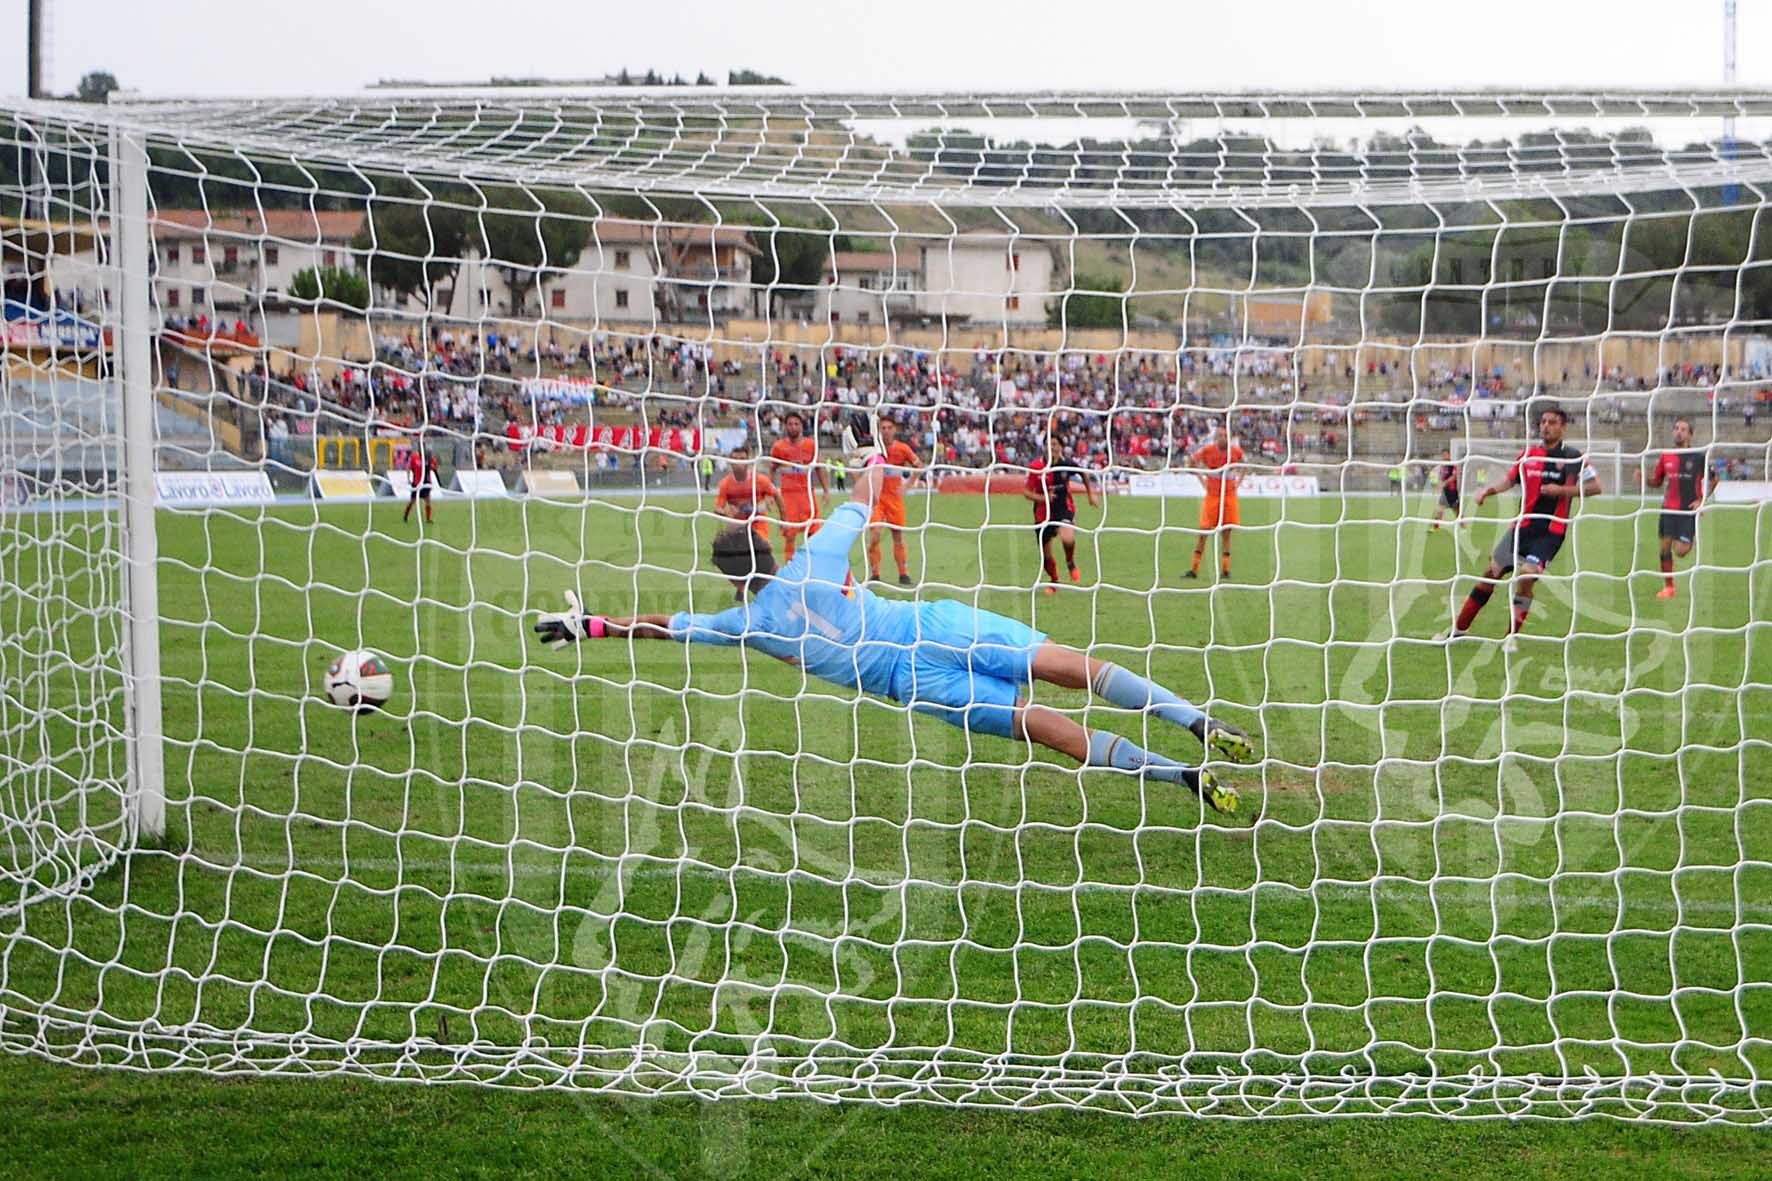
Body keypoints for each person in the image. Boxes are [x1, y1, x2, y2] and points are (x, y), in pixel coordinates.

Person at [534, 452, 1257, 815]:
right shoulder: (815, 553)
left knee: (1045, 726)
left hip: (911, 681)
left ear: (730, 577)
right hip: (932, 622)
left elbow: (662, 629)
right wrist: (871, 456)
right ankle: (1195, 720)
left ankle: (1183, 778)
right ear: (770, 547)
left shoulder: (743, 623)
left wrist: (591, 624)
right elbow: (860, 493)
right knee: (1072, 664)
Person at [1437, 405, 1601, 651]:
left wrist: (1562, 491)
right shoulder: (1528, 455)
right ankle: (1458, 629)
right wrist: (1488, 491)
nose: (1546, 426)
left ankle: (1511, 636)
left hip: (1550, 533)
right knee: (1490, 574)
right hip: (1522, 529)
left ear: (1563, 427)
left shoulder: (1574, 457)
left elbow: (1595, 487)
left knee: (1526, 576)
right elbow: (1510, 480)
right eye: (1544, 421)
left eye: (1553, 422)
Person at [1639, 417, 1713, 600]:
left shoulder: (1698, 456)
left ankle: (1690, 538)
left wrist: (1701, 500)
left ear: (1690, 434)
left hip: (1687, 509)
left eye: (1683, 429)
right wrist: (1644, 478)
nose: (1679, 432)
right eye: (1676, 428)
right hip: (1668, 509)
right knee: (1664, 548)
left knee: (1680, 551)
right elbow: (1657, 482)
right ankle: (1669, 587)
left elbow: (1714, 478)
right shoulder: (1666, 455)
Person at [1024, 441, 1099, 594]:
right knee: (1046, 556)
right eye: (1049, 444)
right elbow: (1027, 493)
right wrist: (1043, 498)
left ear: (1061, 447)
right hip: (1042, 513)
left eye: (1056, 444)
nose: (1053, 447)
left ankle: (1070, 562)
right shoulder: (1036, 467)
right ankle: (1054, 581)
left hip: (1064, 509)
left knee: (1068, 537)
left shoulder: (1066, 464)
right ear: (1044, 447)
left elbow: (1082, 472)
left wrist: (1090, 494)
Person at [867, 417, 921, 586]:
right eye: (883, 428)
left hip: (895, 500)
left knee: (897, 537)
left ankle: (903, 574)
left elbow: (919, 466)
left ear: (894, 430)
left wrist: (907, 485)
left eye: (889, 427)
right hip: (877, 500)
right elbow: (856, 466)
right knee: (875, 534)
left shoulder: (902, 449)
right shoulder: (873, 449)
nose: (886, 431)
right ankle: (875, 574)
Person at [769, 411, 829, 561]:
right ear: (785, 426)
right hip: (788, 498)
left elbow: (819, 469)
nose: (793, 427)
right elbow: (772, 469)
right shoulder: (779, 447)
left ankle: (813, 568)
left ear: (802, 426)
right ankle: (791, 571)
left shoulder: (811, 445)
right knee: (790, 536)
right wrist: (769, 492)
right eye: (790, 424)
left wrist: (826, 490)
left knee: (814, 535)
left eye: (796, 424)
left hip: (807, 496)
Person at [1187, 425, 1243, 581]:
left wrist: (1239, 484)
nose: (1222, 438)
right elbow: (1192, 463)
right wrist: (1201, 479)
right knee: (1203, 532)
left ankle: (1225, 570)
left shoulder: (1236, 452)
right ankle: (1194, 570)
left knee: (1227, 533)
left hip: (1229, 496)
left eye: (1225, 435)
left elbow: (1245, 465)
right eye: (1220, 435)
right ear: (1216, 437)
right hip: (1212, 496)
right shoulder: (1208, 451)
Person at [714, 447, 786, 543]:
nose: (739, 463)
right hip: (737, 524)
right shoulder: (725, 484)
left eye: (742, 459)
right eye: (735, 459)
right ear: (730, 462)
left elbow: (776, 495)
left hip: (758, 523)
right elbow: (718, 508)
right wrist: (726, 512)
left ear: (749, 461)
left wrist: (783, 519)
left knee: (762, 550)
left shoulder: (760, 480)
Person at [1430, 448, 1464, 532]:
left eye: (1445, 454)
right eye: (1443, 455)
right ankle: (1435, 527)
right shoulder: (1443, 466)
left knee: (1457, 511)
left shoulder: (1452, 464)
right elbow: (1442, 477)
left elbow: (1454, 476)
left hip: (1452, 492)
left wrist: (1445, 483)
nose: (1444, 456)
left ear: (1449, 455)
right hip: (1445, 492)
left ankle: (1463, 527)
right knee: (1440, 510)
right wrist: (1439, 485)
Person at [403, 445, 439, 525]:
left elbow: (435, 467)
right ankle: (405, 516)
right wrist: (408, 478)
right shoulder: (414, 457)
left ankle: (428, 519)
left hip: (426, 482)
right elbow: (409, 468)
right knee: (412, 501)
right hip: (416, 483)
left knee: (428, 501)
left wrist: (432, 466)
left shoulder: (428, 458)